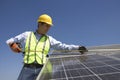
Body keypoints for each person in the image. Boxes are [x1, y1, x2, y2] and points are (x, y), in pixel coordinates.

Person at [6, 14, 88, 80]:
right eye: (46, 25)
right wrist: (12, 45)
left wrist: (77, 47)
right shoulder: (27, 35)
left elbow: (63, 46)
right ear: (39, 24)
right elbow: (10, 40)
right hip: (27, 68)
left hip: (44, 69)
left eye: (49, 26)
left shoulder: (50, 39)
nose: (48, 28)